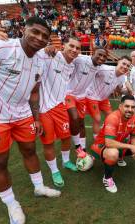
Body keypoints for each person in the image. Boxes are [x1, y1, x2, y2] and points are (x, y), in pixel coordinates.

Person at [0, 17, 61, 224]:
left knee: (29, 150)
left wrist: (36, 118)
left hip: (23, 115)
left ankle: (39, 187)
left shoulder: (39, 61)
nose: (40, 38)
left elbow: (34, 92)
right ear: (24, 30)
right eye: (35, 32)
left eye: (45, 36)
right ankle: (11, 204)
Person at [39, 37, 81, 187]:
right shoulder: (51, 55)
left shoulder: (72, 65)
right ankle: (54, 171)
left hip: (60, 106)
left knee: (66, 137)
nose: (74, 50)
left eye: (77, 48)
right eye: (71, 46)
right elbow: (35, 52)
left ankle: (66, 161)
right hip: (43, 108)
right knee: (48, 143)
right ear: (63, 45)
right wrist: (46, 47)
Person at [90, 95, 135, 193]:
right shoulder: (113, 117)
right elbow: (109, 143)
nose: (130, 109)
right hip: (100, 145)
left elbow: (134, 137)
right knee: (113, 153)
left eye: (133, 107)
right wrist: (130, 146)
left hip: (118, 143)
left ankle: (120, 157)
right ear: (120, 106)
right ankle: (107, 178)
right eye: (127, 106)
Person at [65, 47, 107, 152]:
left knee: (81, 123)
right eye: (99, 54)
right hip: (69, 93)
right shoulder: (81, 59)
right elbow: (66, 57)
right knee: (74, 118)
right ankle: (77, 146)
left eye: (104, 56)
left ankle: (83, 149)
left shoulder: (99, 67)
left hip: (82, 96)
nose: (101, 58)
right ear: (93, 53)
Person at [85, 56, 131, 137]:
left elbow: (119, 90)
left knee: (111, 117)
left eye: (127, 65)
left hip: (104, 99)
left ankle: (104, 132)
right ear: (118, 62)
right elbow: (91, 69)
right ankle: (97, 140)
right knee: (97, 118)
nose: (125, 67)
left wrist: (130, 91)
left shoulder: (122, 77)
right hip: (92, 96)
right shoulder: (104, 69)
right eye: (123, 63)